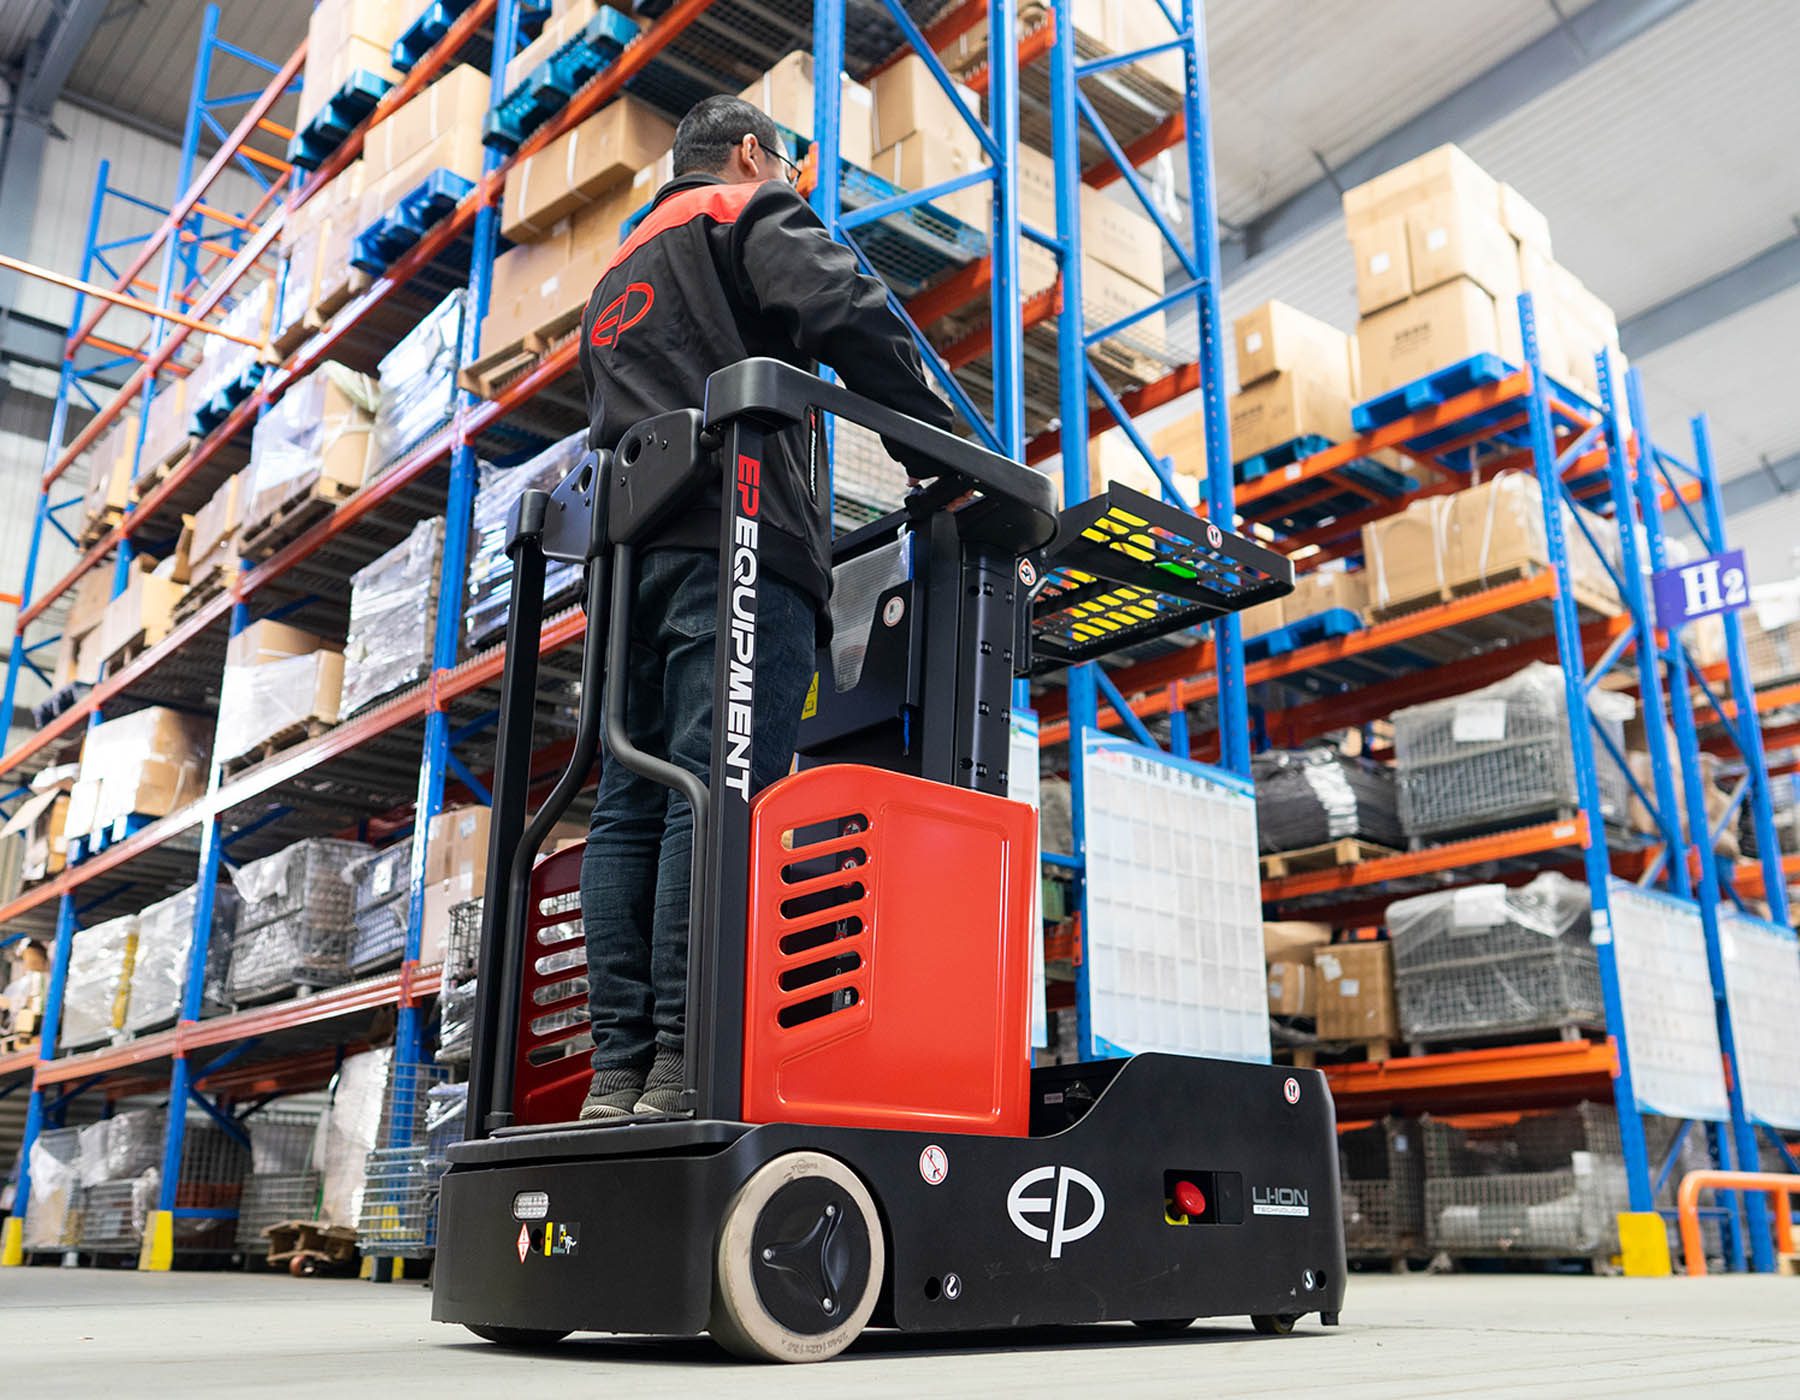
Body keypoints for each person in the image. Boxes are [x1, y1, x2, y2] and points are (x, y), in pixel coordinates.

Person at [575, 94, 954, 1119]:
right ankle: (690, 1067)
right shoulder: (747, 210)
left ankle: (622, 1074)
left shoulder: (615, 277)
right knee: (719, 784)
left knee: (629, 803)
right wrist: (948, 455)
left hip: (625, 565)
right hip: (737, 541)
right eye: (785, 165)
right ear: (750, 153)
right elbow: (849, 313)